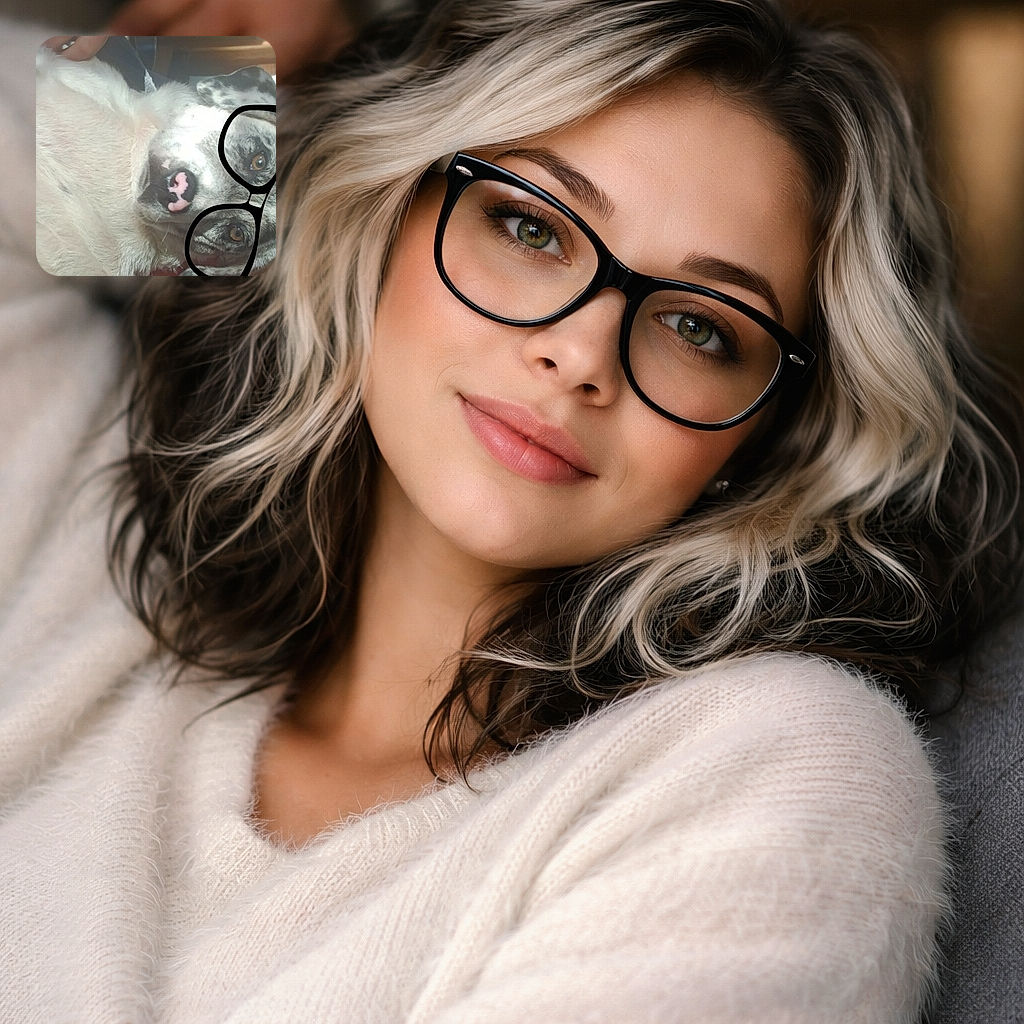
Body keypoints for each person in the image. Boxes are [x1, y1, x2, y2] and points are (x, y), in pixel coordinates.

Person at [1, 1, 1021, 1021]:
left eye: (699, 328)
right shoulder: (77, 513)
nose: (577, 355)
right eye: (530, 227)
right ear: (378, 208)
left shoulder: (763, 765)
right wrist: (248, 67)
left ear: (770, 435)